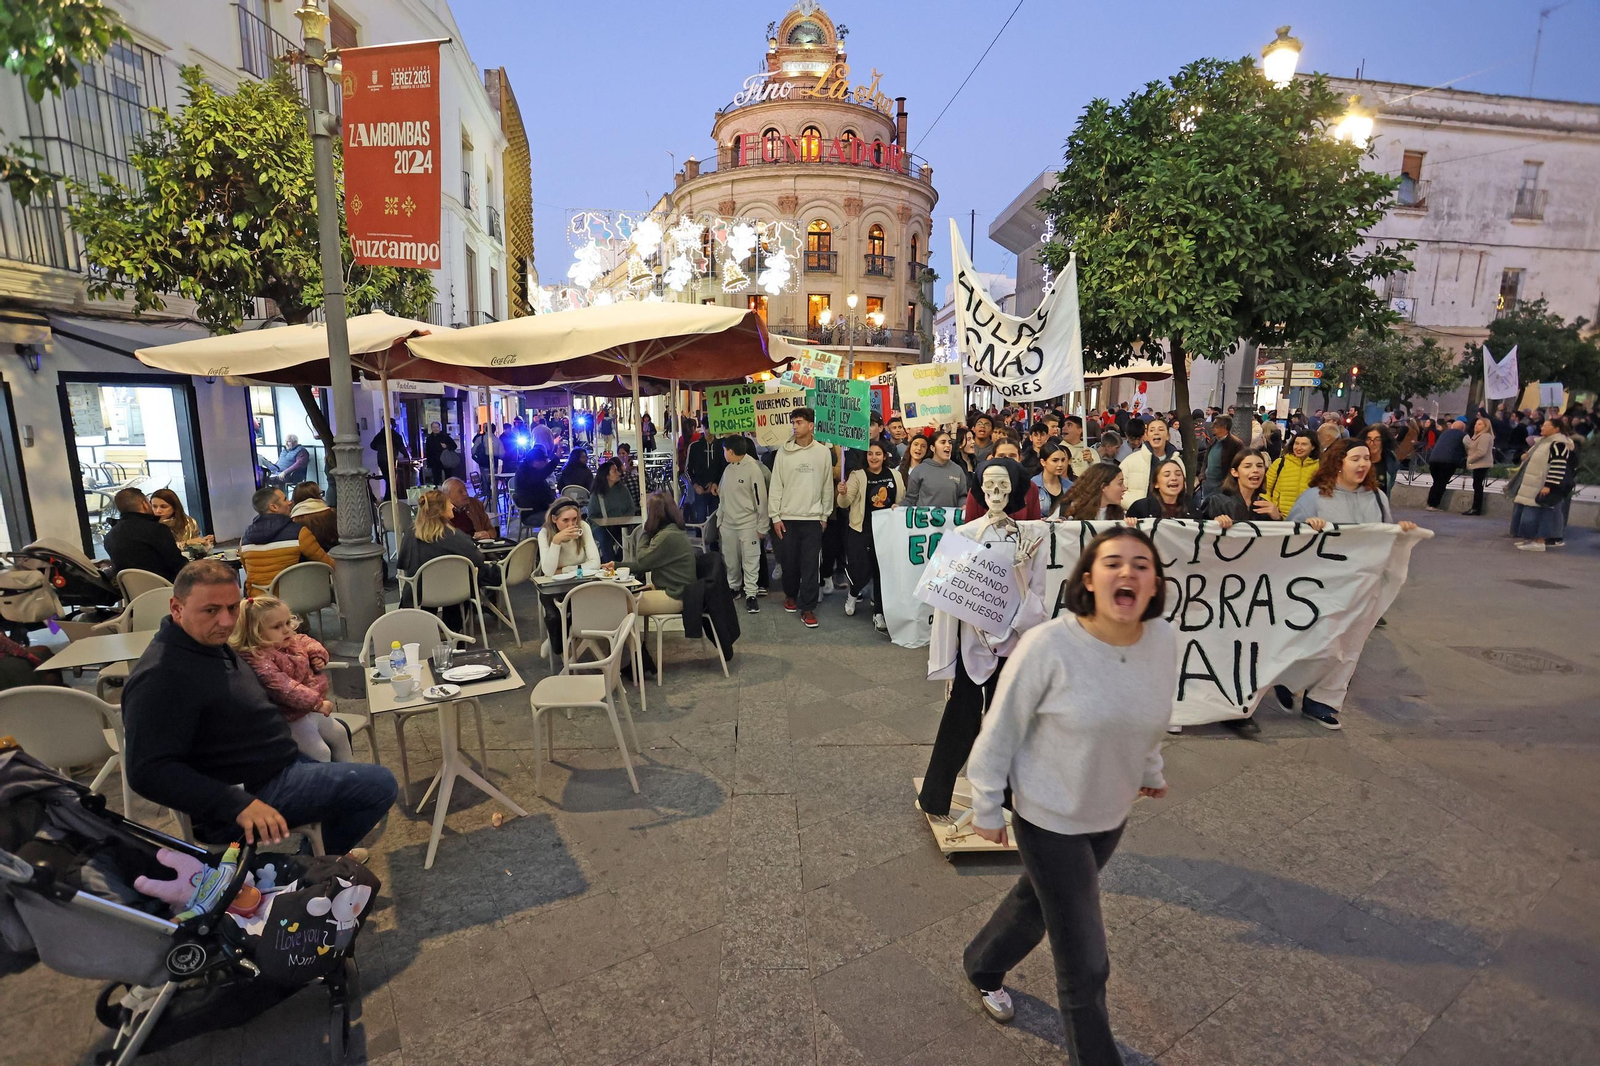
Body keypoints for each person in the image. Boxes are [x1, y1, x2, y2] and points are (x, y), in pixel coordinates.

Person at [960, 527, 1173, 1052]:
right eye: (1113, 562)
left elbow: (1150, 714)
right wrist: (985, 804)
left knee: (1038, 900)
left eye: (1141, 564)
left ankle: (983, 963)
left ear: (1155, 583)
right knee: (1085, 962)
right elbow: (1000, 729)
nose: (1128, 572)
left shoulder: (1164, 640)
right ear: (1088, 579)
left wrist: (1149, 769)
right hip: (1048, 819)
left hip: (1109, 814)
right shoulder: (1049, 645)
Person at [122, 560, 396, 856]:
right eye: (211, 610)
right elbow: (147, 771)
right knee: (379, 785)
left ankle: (322, 854)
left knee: (341, 747)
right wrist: (235, 803)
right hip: (250, 793)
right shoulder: (161, 675)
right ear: (176, 608)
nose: (226, 621)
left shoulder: (206, 644)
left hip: (279, 764)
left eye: (232, 608)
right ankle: (310, 866)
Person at [230, 594, 352, 763]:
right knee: (320, 752)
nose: (287, 630)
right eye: (277, 627)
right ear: (255, 633)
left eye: (287, 623)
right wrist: (316, 702)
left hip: (308, 709)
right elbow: (285, 688)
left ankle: (351, 777)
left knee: (339, 734)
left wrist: (317, 653)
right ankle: (326, 786)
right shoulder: (258, 658)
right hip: (289, 717)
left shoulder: (290, 641)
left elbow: (307, 640)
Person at [768, 406, 834, 629]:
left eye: (799, 422)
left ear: (811, 425)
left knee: (810, 565)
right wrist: (775, 516)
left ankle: (808, 608)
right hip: (787, 516)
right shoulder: (783, 452)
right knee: (789, 562)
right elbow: (776, 485)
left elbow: (827, 486)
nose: (795, 426)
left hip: (813, 518)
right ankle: (790, 595)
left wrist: (824, 514)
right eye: (793, 423)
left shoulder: (823, 452)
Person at [397, 490, 500, 631]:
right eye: (448, 503)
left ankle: (426, 634)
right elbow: (477, 559)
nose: (452, 506)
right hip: (454, 593)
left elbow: (403, 562)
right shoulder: (452, 534)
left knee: (436, 585)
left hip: (419, 593)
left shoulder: (410, 533)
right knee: (460, 583)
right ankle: (456, 638)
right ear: (440, 510)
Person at [837, 441, 904, 632]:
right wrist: (841, 493)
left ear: (885, 456)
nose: (873, 457)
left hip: (886, 532)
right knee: (860, 569)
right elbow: (844, 503)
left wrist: (898, 507)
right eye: (870, 454)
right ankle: (853, 592)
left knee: (881, 572)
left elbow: (902, 500)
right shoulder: (857, 476)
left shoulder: (895, 476)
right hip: (861, 529)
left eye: (878, 454)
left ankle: (879, 613)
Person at [606, 492, 696, 622]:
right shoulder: (673, 531)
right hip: (676, 591)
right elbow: (646, 563)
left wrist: (646, 530)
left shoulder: (667, 537)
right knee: (621, 599)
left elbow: (642, 561)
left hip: (674, 595)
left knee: (618, 605)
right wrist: (616, 565)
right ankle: (631, 642)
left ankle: (629, 642)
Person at [240, 485, 335, 593]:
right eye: (285, 499)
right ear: (274, 507)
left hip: (259, 602)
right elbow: (327, 564)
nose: (290, 502)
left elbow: (248, 571)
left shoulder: (244, 540)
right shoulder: (299, 533)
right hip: (293, 599)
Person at [717, 435, 769, 612]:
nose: (724, 453)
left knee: (750, 560)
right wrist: (720, 520)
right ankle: (734, 587)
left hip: (748, 524)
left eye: (724, 450)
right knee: (731, 559)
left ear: (730, 451)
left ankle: (751, 593)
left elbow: (761, 500)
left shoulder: (753, 469)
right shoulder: (728, 470)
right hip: (729, 525)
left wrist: (762, 526)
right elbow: (722, 498)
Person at [1509, 415, 1574, 552]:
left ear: (1556, 429)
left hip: (1541, 485)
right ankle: (1531, 539)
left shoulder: (1559, 444)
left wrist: (1549, 485)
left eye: (1546, 425)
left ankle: (1540, 541)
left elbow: (1558, 466)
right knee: (1531, 513)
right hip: (1532, 484)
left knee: (1541, 514)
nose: (1542, 427)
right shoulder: (1542, 443)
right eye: (1543, 425)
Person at [103, 487, 188, 581]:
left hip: (133, 592)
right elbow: (178, 564)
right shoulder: (156, 530)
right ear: (145, 505)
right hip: (165, 588)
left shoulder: (110, 536)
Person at [1204, 449, 1284, 527]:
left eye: (1259, 466)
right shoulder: (1216, 502)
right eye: (1247, 466)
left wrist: (1277, 519)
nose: (1255, 470)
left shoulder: (1265, 507)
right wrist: (1214, 523)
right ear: (1234, 472)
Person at [1118, 417, 1181, 508]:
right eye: (1151, 430)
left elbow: (1182, 492)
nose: (1156, 433)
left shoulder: (1177, 461)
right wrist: (1138, 507)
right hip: (1136, 518)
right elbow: (1117, 490)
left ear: (1167, 435)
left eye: (1161, 429)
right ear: (1146, 435)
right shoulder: (1130, 461)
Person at [964, 452, 1043, 521]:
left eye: (1003, 484)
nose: (1006, 461)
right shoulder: (975, 492)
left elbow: (1035, 526)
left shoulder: (1030, 488)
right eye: (1001, 456)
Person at [588, 458, 637, 563]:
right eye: (615, 471)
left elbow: (631, 508)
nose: (619, 473)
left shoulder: (623, 489)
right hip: (601, 526)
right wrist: (603, 522)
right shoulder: (597, 494)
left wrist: (624, 520)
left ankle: (618, 563)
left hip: (620, 525)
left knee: (627, 539)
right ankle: (609, 564)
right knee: (605, 539)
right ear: (606, 476)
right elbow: (592, 515)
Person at [904, 431, 968, 509]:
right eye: (943, 442)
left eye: (950, 442)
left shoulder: (958, 470)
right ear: (932, 448)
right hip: (924, 520)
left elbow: (962, 496)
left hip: (949, 520)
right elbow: (910, 499)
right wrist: (899, 507)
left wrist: (964, 505)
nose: (948, 445)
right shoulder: (919, 470)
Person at [1264, 429, 1320, 517]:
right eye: (1296, 443)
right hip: (1280, 519)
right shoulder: (1280, 463)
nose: (1298, 447)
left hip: (1307, 521)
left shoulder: (1320, 467)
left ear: (1313, 447)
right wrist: (1271, 508)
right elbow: (1265, 488)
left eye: (1304, 444)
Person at [1126, 458, 1197, 520]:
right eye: (1167, 475)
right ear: (1156, 483)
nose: (1174, 478)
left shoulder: (1192, 506)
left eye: (1178, 474)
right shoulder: (1140, 508)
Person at [1059, 463, 1127, 522]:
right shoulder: (1067, 510)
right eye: (1120, 483)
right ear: (1103, 486)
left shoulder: (1120, 515)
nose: (1125, 488)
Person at [512, 445, 559, 529]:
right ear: (536, 462)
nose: (546, 463)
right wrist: (556, 460)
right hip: (532, 513)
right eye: (544, 461)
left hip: (541, 509)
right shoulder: (525, 474)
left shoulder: (530, 471)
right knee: (559, 520)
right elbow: (543, 474)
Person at [1426, 419, 1468, 511]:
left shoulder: (1444, 434)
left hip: (1434, 460)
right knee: (1441, 483)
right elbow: (1469, 447)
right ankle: (1433, 505)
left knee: (1436, 482)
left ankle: (1430, 503)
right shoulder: (1463, 435)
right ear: (1463, 428)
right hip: (1448, 461)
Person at [1199, 416, 1242, 501]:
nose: (1212, 427)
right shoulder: (1213, 440)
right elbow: (1206, 460)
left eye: (1215, 425)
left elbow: (1238, 464)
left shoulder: (1235, 444)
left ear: (1224, 427)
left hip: (1222, 484)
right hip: (1208, 482)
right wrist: (1202, 475)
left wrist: (1227, 482)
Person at [289, 482, 339, 552]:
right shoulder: (330, 514)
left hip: (305, 560)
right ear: (317, 496)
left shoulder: (292, 521)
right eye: (320, 494)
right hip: (332, 556)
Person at [368, 420, 410, 499]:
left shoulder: (380, 434)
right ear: (394, 425)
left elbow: (372, 445)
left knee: (387, 479)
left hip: (380, 459)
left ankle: (388, 497)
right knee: (392, 479)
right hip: (390, 459)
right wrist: (407, 455)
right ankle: (390, 497)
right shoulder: (394, 435)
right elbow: (401, 447)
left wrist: (381, 449)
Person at [1464, 415, 1495, 516]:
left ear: (1486, 426)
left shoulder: (1485, 436)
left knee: (1478, 486)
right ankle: (1475, 507)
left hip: (1481, 464)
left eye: (1480, 424)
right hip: (1477, 464)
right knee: (1476, 485)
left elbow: (1481, 452)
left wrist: (1470, 459)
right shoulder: (1477, 436)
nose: (1476, 426)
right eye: (1476, 424)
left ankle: (1476, 508)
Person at [1033, 442, 1073, 517]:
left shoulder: (1070, 486)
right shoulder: (1033, 485)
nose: (1060, 464)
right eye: (1055, 460)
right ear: (1043, 462)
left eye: (1063, 460)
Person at [1362, 423, 1397, 496]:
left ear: (1384, 441)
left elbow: (1390, 484)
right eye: (1368, 439)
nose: (1372, 443)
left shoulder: (1390, 461)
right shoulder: (1359, 461)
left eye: (1377, 439)